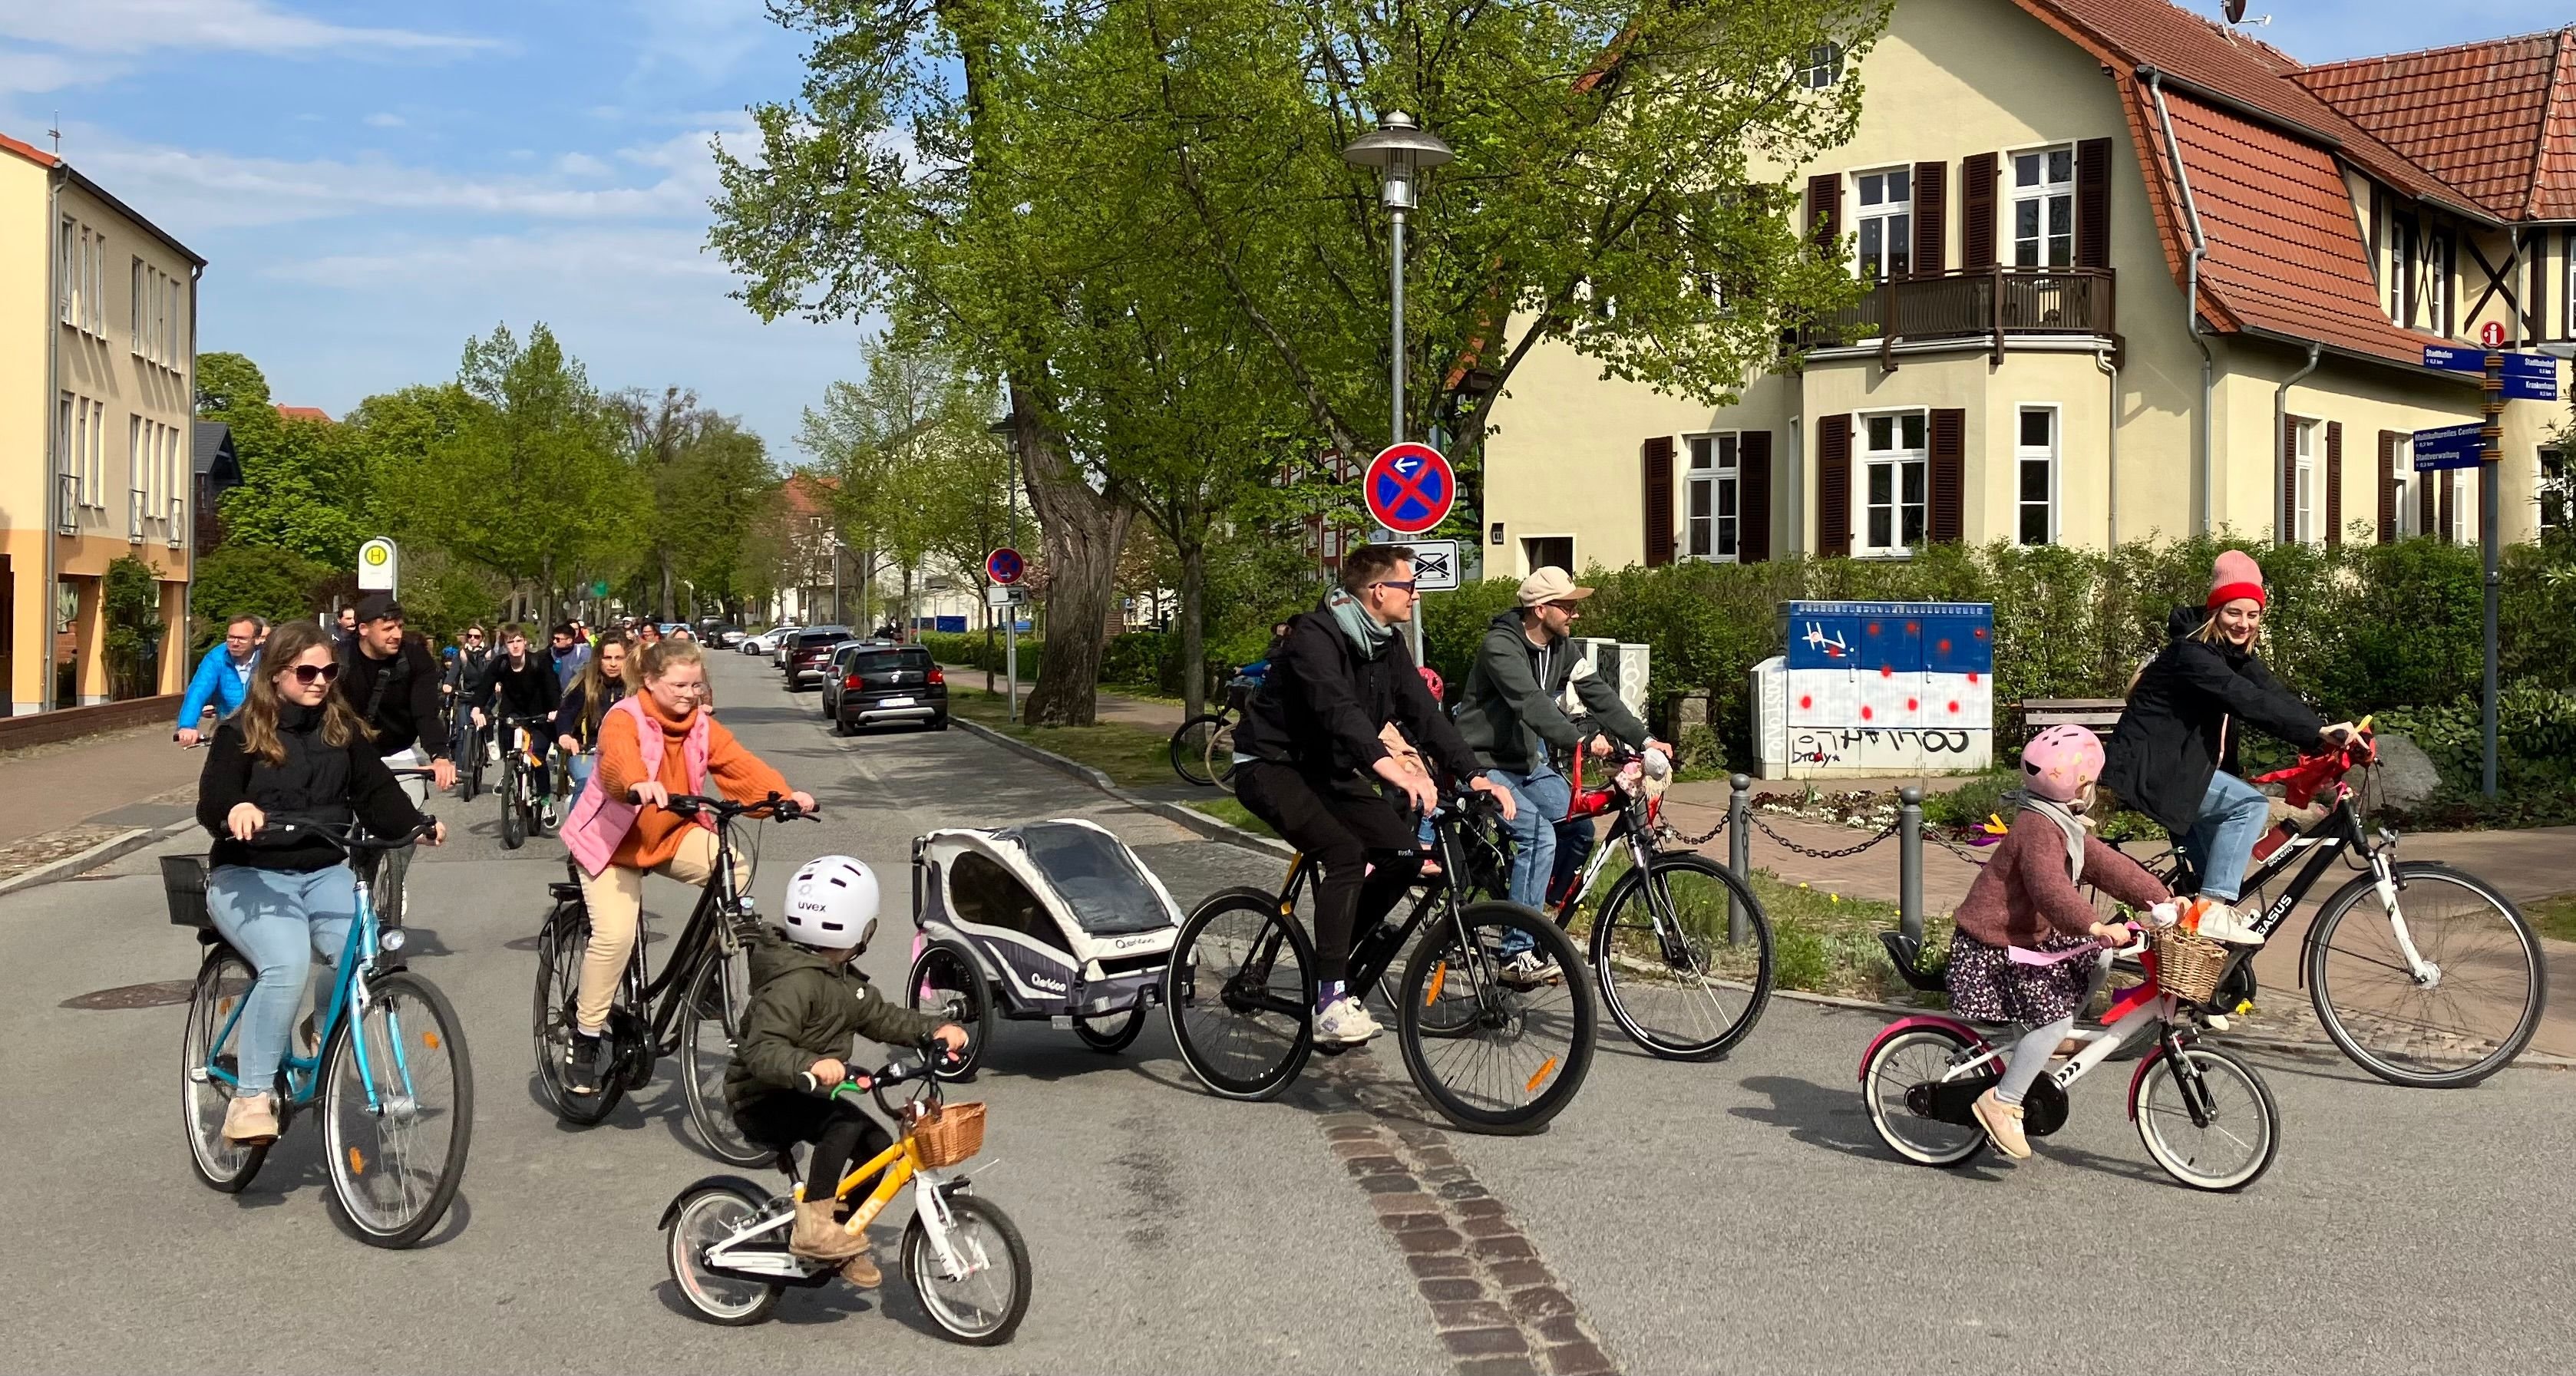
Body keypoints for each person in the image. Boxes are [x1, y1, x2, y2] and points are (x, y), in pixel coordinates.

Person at [1231, 544, 1517, 1047]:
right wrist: (1393, 770)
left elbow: (1425, 716)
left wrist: (1474, 776)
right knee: (1345, 851)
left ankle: (1334, 960)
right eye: (1409, 585)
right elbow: (1339, 711)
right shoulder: (1314, 637)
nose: (1416, 594)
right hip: (1270, 766)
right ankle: (1329, 1000)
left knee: (1404, 855)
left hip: (1327, 770)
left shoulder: (1386, 644)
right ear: (1378, 590)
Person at [195, 619, 447, 1144]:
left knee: (362, 957)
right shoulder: (239, 732)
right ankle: (251, 1096)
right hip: (248, 873)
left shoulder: (341, 731)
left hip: (323, 870)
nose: (319, 680)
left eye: (329, 670)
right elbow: (214, 796)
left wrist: (415, 826)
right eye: (307, 670)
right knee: (285, 963)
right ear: (277, 672)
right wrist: (235, 808)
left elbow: (376, 792)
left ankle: (319, 1023)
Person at [556, 636, 817, 1096]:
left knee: (732, 867)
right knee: (615, 936)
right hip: (611, 844)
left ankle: (705, 974)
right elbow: (618, 763)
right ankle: (586, 1034)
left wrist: (782, 797)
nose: (689, 694)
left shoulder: (700, 725)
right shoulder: (625, 718)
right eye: (679, 685)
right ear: (651, 681)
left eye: (696, 686)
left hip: (670, 834)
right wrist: (637, 783)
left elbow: (739, 766)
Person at [726, 855, 968, 1281]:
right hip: (762, 1096)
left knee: (875, 1146)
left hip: (804, 1091)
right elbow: (761, 1050)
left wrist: (935, 1029)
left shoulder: (839, 979)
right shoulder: (793, 983)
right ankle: (816, 1230)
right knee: (843, 1124)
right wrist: (813, 1064)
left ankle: (842, 1233)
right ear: (859, 929)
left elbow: (885, 1018)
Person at [2101, 551, 2354, 944]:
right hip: (2157, 771)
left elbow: (2272, 694)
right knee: (2247, 807)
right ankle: (2216, 907)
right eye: (2235, 613)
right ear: (2216, 610)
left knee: (2198, 900)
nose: (2244, 623)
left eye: (2253, 615)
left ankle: (2190, 985)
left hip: (2186, 774)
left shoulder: (2232, 655)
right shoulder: (2193, 654)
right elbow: (2245, 699)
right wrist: (2315, 733)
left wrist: (2323, 731)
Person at [1947, 725, 2170, 1160]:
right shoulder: (2037, 827)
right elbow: (2048, 886)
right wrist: (2092, 924)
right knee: (2052, 1015)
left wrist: (2161, 898)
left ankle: (2049, 1033)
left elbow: (2108, 867)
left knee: (2099, 957)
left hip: (2024, 941)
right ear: (2082, 785)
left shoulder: (2058, 820)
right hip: (1995, 947)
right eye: (2094, 783)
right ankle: (2003, 1101)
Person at [1454, 568, 1669, 979]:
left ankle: (1537, 917)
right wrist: (1581, 742)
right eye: (1567, 606)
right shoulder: (1501, 646)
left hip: (1526, 765)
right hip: (1482, 765)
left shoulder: (1562, 648)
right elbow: (1531, 704)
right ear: (1540, 609)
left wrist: (1644, 741)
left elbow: (1599, 694)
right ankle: (1516, 954)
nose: (1575, 614)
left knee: (1579, 829)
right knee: (1538, 835)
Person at [471, 622, 565, 821]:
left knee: (537, 757)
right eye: (510, 642)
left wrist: (554, 710)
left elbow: (552, 688)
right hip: (511, 715)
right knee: (511, 754)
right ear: (504, 645)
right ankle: (511, 777)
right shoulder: (501, 664)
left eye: (518, 641)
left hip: (538, 716)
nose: (515, 646)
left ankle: (546, 802)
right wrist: (477, 708)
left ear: (525, 642)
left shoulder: (538, 662)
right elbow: (485, 687)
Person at [553, 632, 633, 811]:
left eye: (619, 658)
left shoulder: (637, 686)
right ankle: (578, 834)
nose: (613, 664)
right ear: (599, 659)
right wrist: (565, 734)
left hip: (627, 754)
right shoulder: (586, 683)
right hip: (588, 751)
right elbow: (566, 712)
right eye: (607, 658)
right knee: (587, 785)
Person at [177, 615, 263, 747]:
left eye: (242, 639)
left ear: (257, 640)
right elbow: (199, 690)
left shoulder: (268, 659)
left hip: (264, 729)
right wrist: (188, 725)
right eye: (231, 637)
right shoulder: (216, 658)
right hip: (230, 727)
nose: (235, 643)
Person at [548, 622, 590, 694]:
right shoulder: (548, 653)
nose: (554, 641)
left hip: (575, 696)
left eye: (558, 639)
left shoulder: (583, 653)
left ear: (569, 640)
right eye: (553, 638)